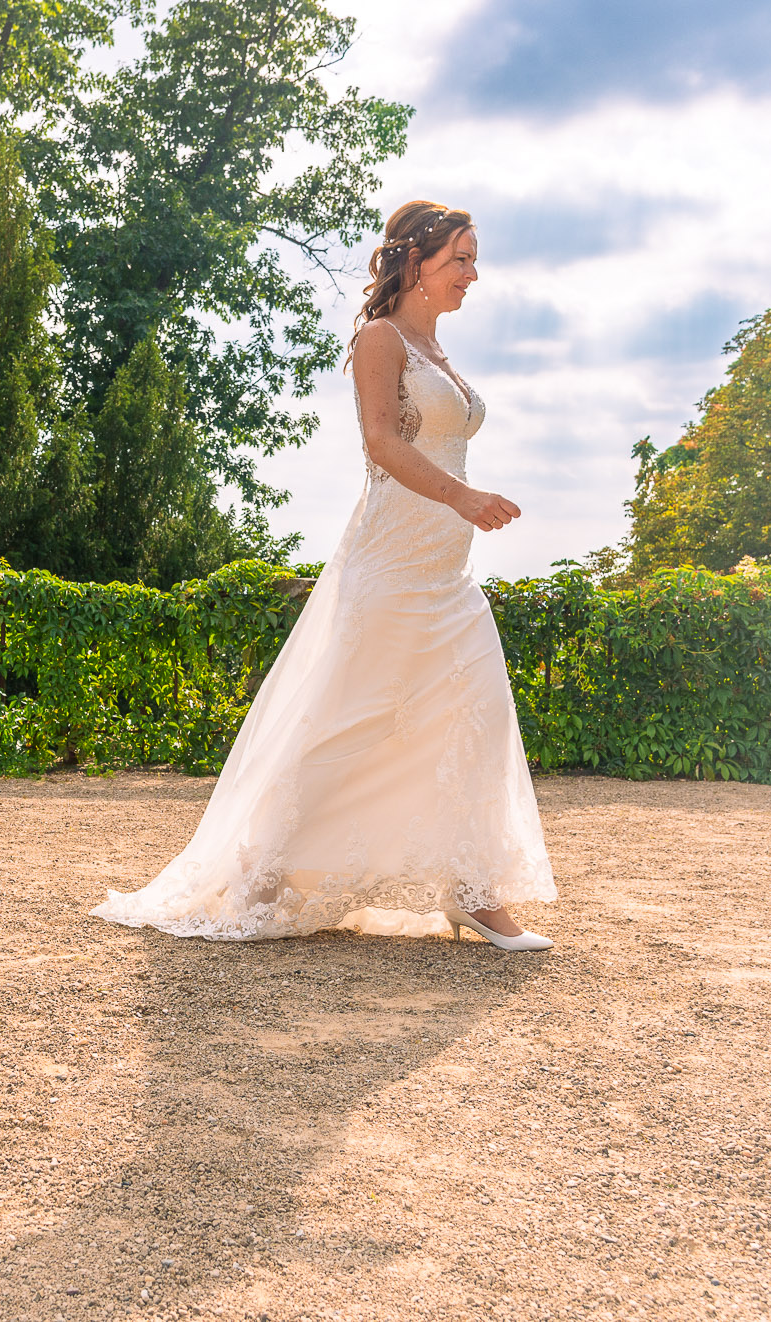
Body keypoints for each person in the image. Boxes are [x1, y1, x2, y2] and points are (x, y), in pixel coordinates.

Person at [92, 201, 557, 949]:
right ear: (416, 262)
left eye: (475, 259)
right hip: (389, 563)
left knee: (477, 716)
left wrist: (463, 508)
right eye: (462, 259)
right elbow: (381, 443)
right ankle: (261, 875)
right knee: (347, 723)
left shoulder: (438, 350)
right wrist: (463, 497)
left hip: (448, 571)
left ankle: (474, 895)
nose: (474, 274)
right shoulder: (381, 338)